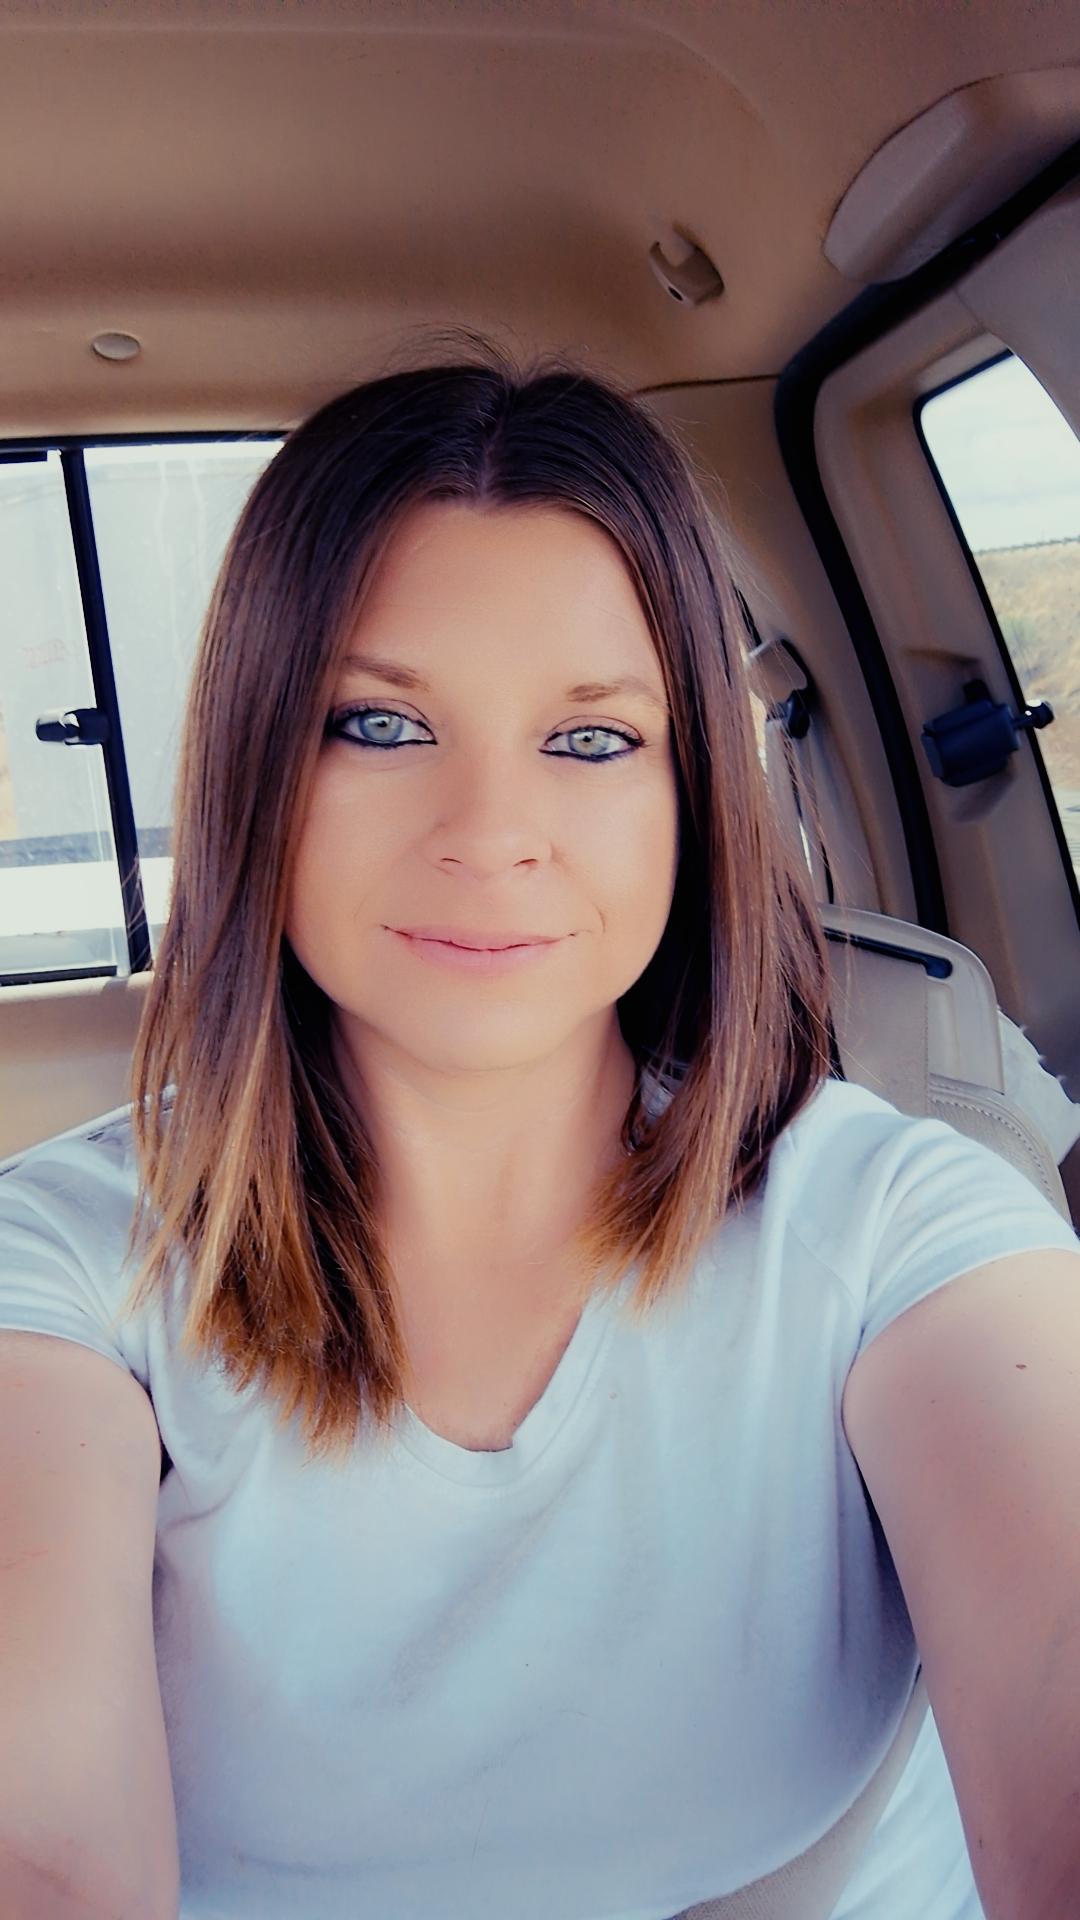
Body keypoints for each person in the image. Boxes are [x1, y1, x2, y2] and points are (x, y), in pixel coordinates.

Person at [1, 328, 1078, 1920]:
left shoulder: (897, 1226)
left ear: (692, 795)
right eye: (379, 725)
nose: (491, 834)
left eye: (591, 740)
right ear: (252, 769)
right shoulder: (69, 1268)